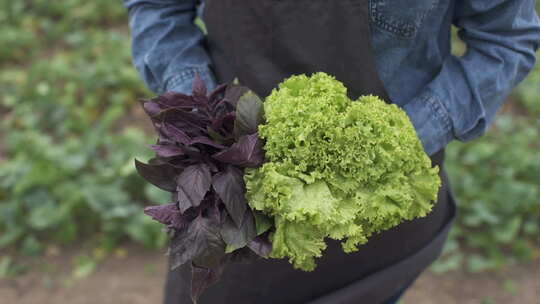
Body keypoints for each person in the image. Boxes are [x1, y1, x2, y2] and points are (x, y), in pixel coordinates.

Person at [123, 1, 540, 303]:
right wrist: (205, 118)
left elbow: (505, 39)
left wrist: (392, 146)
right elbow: (159, 8)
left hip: (377, 221)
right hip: (233, 201)